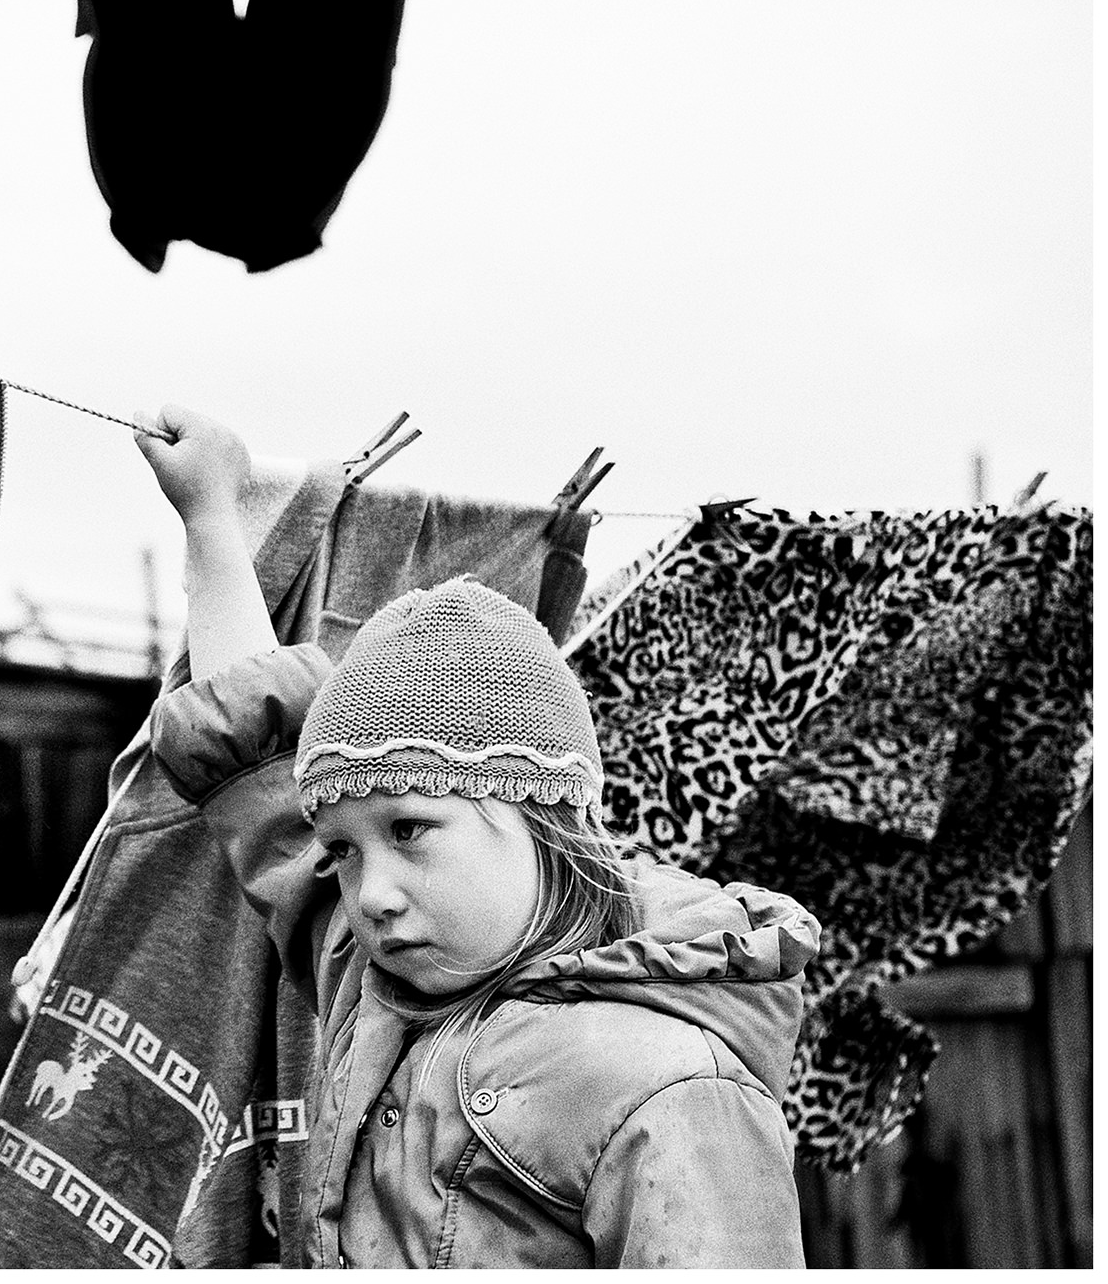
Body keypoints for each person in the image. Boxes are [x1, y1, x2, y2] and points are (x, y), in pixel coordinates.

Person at [131, 404, 819, 1268]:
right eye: (342, 849)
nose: (368, 890)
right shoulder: (374, 987)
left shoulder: (675, 1089)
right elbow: (257, 772)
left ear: (542, 815)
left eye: (411, 828)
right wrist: (210, 519)